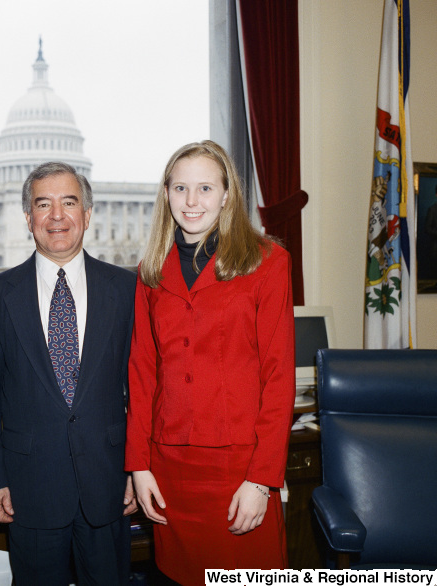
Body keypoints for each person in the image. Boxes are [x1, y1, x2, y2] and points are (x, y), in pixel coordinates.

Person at [126, 140, 295, 583]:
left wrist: (262, 481)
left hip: (240, 470)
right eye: (180, 188)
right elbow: (142, 374)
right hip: (170, 470)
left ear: (227, 194)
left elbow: (278, 377)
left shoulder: (268, 262)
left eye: (205, 187)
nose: (192, 201)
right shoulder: (150, 269)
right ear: (166, 194)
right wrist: (138, 466)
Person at [0, 162, 137, 586]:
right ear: (28, 218)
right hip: (29, 490)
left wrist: (139, 468)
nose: (57, 216)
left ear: (87, 213)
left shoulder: (128, 290)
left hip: (108, 481)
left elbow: (140, 389)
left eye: (69, 202)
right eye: (43, 204)